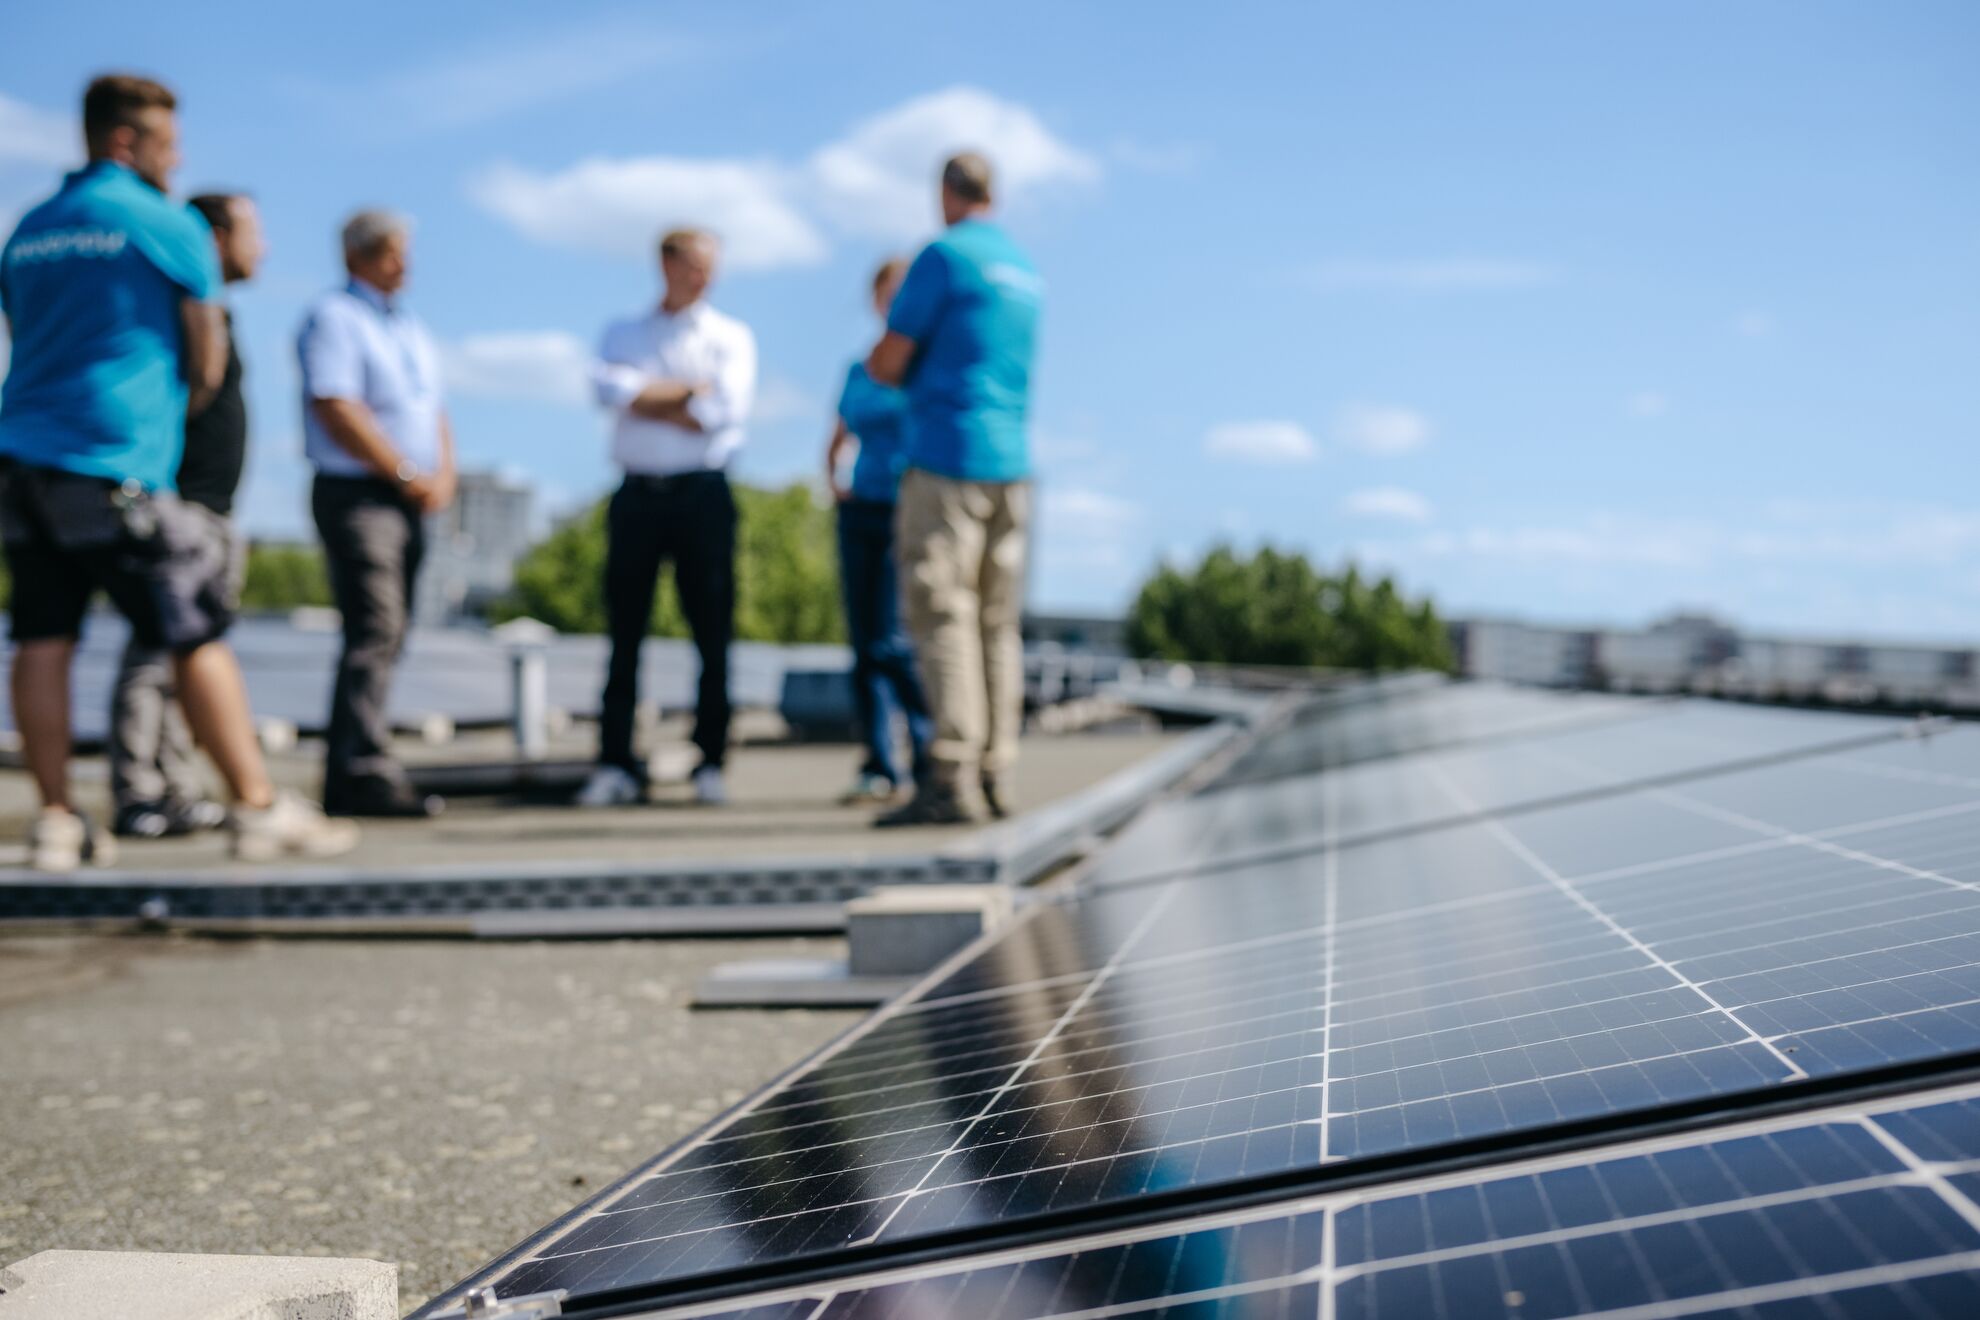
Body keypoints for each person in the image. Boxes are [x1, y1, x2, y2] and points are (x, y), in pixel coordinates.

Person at [0, 73, 357, 869]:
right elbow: (207, 358)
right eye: (170, 142)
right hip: (115, 461)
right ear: (128, 143)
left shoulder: (30, 227)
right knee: (195, 634)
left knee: (42, 636)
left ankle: (56, 820)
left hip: (22, 460)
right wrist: (165, 423)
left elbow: (23, 331)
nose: (179, 156)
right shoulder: (164, 222)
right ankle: (257, 808)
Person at [866, 152, 1042, 827]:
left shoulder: (942, 257)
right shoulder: (1026, 270)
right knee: (998, 623)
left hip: (946, 458)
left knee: (943, 613)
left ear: (946, 191)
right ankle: (999, 769)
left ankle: (951, 774)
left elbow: (889, 358)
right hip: (1013, 463)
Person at [576, 228, 757, 809]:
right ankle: (614, 761)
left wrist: (647, 397)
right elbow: (609, 391)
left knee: (712, 632)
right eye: (694, 265)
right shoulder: (623, 330)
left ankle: (711, 760)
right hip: (637, 496)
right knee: (624, 633)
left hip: (703, 496)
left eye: (712, 266)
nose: (704, 277)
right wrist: (682, 396)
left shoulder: (730, 336)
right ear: (666, 264)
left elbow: (721, 412)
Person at [107, 191, 263, 839]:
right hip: (178, 503)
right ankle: (141, 792)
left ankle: (174, 788)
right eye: (254, 231)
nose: (265, 248)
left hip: (210, 508)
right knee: (158, 650)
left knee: (183, 655)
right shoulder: (178, 304)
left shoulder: (212, 306)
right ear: (215, 237)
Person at [297, 209, 452, 818]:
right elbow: (338, 405)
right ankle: (358, 770)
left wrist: (442, 475)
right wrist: (406, 473)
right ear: (358, 256)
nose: (405, 263)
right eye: (393, 252)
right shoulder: (335, 318)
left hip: (405, 498)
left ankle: (361, 761)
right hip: (359, 494)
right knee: (374, 627)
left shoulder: (409, 327)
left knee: (391, 632)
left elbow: (432, 412)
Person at [824, 257, 934, 804]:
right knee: (864, 645)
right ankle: (880, 763)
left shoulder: (924, 365)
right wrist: (834, 479)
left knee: (894, 641)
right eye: (886, 294)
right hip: (859, 507)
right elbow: (838, 433)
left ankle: (928, 749)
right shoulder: (858, 368)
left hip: (906, 512)